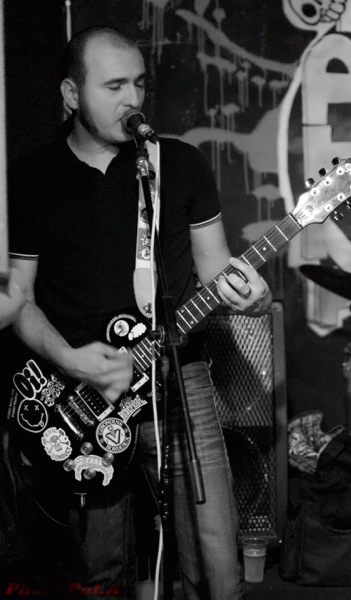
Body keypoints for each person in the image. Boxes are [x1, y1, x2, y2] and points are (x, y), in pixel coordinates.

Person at [6, 26, 272, 600]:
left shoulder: (179, 164)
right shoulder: (30, 180)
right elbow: (17, 298)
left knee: (217, 561)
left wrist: (253, 300)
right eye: (114, 86)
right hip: (82, 393)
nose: (133, 99)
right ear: (71, 94)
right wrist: (70, 361)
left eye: (140, 84)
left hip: (179, 378)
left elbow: (217, 270)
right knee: (102, 570)